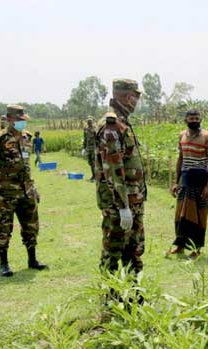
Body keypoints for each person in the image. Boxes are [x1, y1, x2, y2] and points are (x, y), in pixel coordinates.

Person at [0, 105, 47, 277]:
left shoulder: (26, 137)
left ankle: (32, 259)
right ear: (10, 119)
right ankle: (4, 264)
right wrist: (2, 182)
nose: (22, 122)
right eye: (20, 119)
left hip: (26, 189)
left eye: (24, 119)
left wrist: (32, 187)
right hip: (6, 191)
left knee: (31, 225)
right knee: (4, 226)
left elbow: (27, 166)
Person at [94, 79, 147, 276]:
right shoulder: (112, 126)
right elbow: (114, 170)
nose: (136, 103)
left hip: (132, 200)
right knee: (113, 253)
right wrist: (123, 206)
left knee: (132, 252)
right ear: (127, 97)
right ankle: (111, 300)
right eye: (135, 98)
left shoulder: (122, 123)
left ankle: (133, 299)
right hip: (120, 205)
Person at [168, 110, 208, 257]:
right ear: (186, 120)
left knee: (199, 215)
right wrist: (176, 182)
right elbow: (180, 159)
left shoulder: (207, 137)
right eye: (191, 118)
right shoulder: (182, 135)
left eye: (197, 118)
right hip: (185, 179)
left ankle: (196, 249)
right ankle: (180, 246)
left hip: (200, 179)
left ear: (200, 119)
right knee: (181, 214)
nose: (194, 120)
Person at [82, 116, 97, 181]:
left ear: (92, 122)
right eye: (88, 121)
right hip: (88, 148)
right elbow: (85, 139)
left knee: (94, 163)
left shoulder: (95, 129)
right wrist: (84, 148)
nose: (89, 123)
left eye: (90, 121)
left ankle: (96, 177)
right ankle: (93, 176)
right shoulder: (85, 129)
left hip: (94, 148)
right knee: (90, 162)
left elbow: (98, 139)